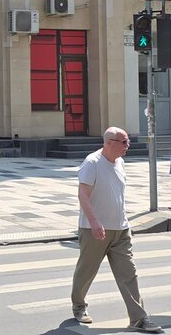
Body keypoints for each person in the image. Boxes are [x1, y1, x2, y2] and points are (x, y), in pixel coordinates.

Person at [71, 126, 163, 333]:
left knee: (129, 273)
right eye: (124, 142)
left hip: (120, 229)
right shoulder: (92, 163)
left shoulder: (120, 162)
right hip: (94, 229)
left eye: (127, 141)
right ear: (109, 143)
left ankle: (139, 318)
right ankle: (79, 306)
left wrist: (125, 222)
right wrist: (94, 222)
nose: (127, 145)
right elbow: (83, 195)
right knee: (87, 271)